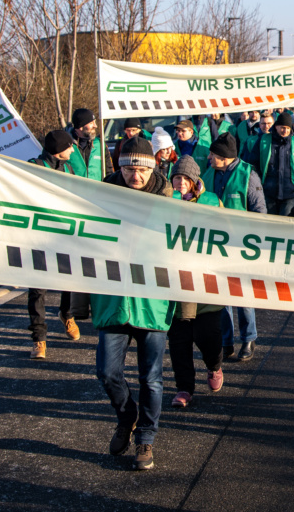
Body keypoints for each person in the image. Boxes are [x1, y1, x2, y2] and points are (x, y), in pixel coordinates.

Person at [95, 137, 175, 471]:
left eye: (141, 168)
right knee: (107, 372)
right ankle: (126, 415)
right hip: (112, 299)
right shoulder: (99, 197)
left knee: (151, 379)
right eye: (129, 168)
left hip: (152, 303)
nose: (135, 175)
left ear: (152, 167)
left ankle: (146, 440)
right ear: (120, 167)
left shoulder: (170, 204)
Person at [167, 157, 226, 408]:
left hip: (204, 281)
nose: (180, 183)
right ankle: (184, 388)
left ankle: (214, 366)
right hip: (174, 279)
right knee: (178, 340)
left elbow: (227, 231)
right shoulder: (164, 202)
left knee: (207, 335)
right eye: (176, 178)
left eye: (185, 179)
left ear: (194, 181)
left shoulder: (212, 201)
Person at [202, 132, 266, 362]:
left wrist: (256, 244)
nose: (209, 157)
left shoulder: (248, 175)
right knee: (221, 295)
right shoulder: (209, 173)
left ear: (224, 157)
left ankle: (248, 338)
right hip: (216, 245)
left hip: (241, 245)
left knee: (242, 293)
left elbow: (259, 211)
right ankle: (226, 340)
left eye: (213, 154)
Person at [26, 130, 79, 359]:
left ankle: (66, 314)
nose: (73, 150)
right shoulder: (34, 167)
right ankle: (39, 338)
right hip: (39, 237)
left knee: (69, 279)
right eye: (69, 147)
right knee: (38, 289)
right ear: (59, 150)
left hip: (64, 235)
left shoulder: (68, 168)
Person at [65, 108, 112, 334]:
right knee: (69, 263)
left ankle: (95, 305)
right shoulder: (67, 145)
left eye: (94, 123)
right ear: (78, 128)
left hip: (98, 209)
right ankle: (68, 312)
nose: (94, 127)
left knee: (97, 258)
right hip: (72, 209)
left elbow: (110, 172)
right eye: (90, 125)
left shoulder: (100, 146)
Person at [246, 111, 294, 217]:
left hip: (290, 194)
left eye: (288, 128)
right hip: (268, 193)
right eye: (282, 127)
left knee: (285, 226)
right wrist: (259, 183)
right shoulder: (264, 141)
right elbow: (253, 163)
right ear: (276, 126)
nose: (285, 130)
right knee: (270, 224)